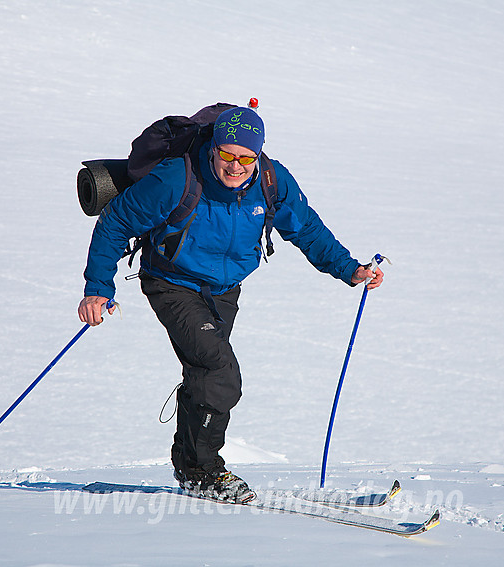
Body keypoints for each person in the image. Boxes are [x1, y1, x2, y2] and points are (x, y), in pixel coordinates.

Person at [78, 105, 383, 503]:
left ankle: (190, 465)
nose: (235, 166)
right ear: (213, 150)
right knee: (220, 370)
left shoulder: (273, 181)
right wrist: (98, 285)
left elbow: (306, 227)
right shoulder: (177, 179)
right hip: (173, 283)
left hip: (224, 290)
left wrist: (349, 269)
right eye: (227, 155)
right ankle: (205, 472)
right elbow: (117, 222)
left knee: (205, 374)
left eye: (246, 158)